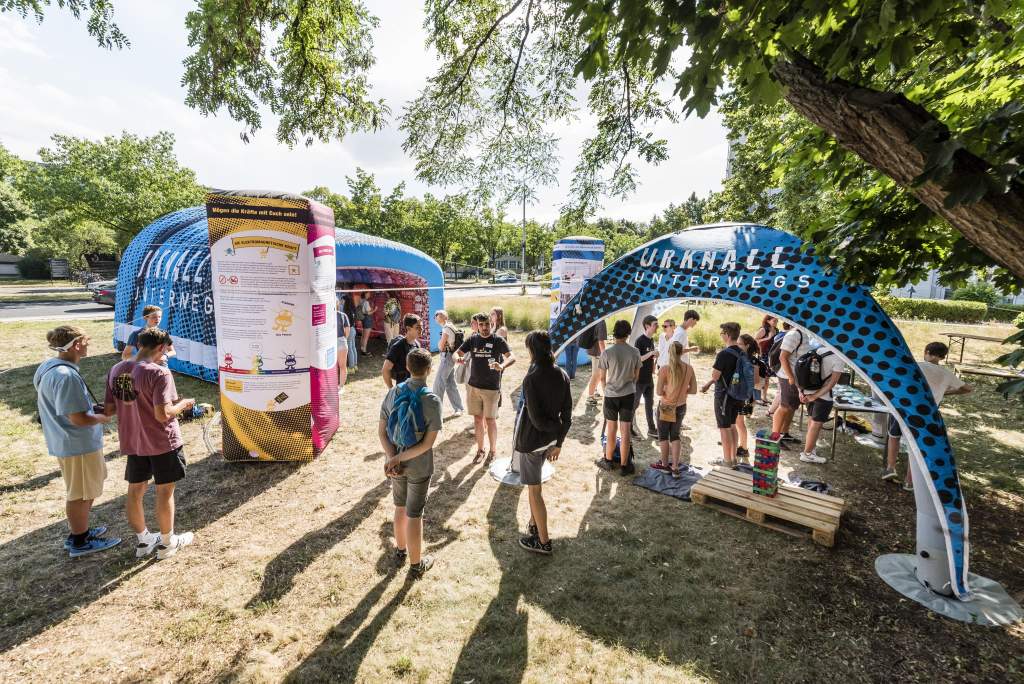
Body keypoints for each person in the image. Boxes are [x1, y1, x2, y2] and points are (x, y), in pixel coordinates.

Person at [34, 325, 121, 557]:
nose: (89, 344)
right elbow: (79, 419)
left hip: (65, 441)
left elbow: (60, 403)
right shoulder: (66, 376)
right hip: (77, 444)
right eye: (86, 340)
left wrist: (90, 408)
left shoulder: (48, 366)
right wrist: (102, 417)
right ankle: (79, 541)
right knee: (80, 494)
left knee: (85, 488)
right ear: (76, 345)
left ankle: (80, 531)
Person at [131, 328, 196, 558]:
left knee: (135, 491)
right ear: (160, 347)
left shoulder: (121, 369)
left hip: (136, 439)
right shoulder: (160, 373)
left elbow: (116, 406)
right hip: (162, 440)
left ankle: (143, 541)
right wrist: (184, 404)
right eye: (166, 350)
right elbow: (163, 413)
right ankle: (168, 543)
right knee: (165, 491)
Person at [378, 348, 442, 578]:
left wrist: (392, 457)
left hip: (395, 465)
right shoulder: (431, 400)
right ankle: (416, 565)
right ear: (429, 370)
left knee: (400, 507)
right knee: (414, 513)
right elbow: (427, 444)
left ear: (406, 367)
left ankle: (400, 550)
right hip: (419, 466)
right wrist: (398, 459)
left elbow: (382, 432)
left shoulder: (393, 392)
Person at [514, 331, 572, 555]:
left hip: (532, 442)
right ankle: (533, 525)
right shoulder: (562, 374)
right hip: (549, 441)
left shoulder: (531, 378)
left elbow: (537, 421)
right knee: (535, 488)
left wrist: (555, 432)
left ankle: (544, 541)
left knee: (534, 491)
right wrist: (558, 441)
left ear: (532, 350)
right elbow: (567, 415)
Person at [884, 342, 972, 490]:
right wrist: (947, 392)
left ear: (927, 352)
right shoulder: (946, 374)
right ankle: (909, 481)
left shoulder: (915, 366)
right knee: (916, 445)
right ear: (942, 357)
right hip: (926, 413)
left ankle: (890, 468)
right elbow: (968, 389)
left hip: (904, 406)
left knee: (894, 436)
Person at [457, 312, 514, 465]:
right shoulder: (472, 339)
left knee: (490, 420)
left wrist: (502, 365)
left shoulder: (498, 340)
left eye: (487, 324)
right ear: (477, 325)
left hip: (491, 388)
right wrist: (458, 359)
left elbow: (512, 357)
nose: (484, 328)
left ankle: (493, 451)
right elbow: (457, 353)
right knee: (477, 419)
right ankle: (480, 450)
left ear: (491, 324)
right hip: (473, 387)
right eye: (481, 325)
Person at [595, 320, 641, 475]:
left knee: (611, 429)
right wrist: (629, 385)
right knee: (626, 430)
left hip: (611, 395)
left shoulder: (607, 352)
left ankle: (608, 461)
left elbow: (602, 378)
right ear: (628, 334)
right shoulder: (635, 352)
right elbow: (636, 376)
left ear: (614, 333)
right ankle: (625, 465)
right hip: (628, 394)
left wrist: (606, 390)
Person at [701, 322, 746, 468]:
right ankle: (733, 458)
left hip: (724, 396)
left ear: (727, 335)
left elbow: (715, 375)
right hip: (738, 395)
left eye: (722, 333)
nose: (721, 336)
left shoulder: (723, 354)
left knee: (724, 428)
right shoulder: (743, 352)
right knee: (732, 425)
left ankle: (727, 461)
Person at [795, 341, 845, 464]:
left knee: (812, 421)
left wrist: (801, 392)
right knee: (816, 424)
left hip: (807, 391)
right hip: (823, 396)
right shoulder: (839, 359)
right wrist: (815, 396)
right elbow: (831, 384)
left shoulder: (817, 350)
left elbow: (800, 372)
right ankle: (807, 453)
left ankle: (810, 449)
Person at [654, 341, 697, 477]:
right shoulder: (689, 368)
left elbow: (659, 392)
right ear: (682, 352)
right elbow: (694, 390)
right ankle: (675, 467)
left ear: (669, 352)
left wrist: (668, 390)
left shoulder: (664, 369)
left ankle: (665, 465)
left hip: (667, 405)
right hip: (681, 405)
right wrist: (682, 391)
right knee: (675, 435)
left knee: (663, 436)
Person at [772, 322, 811, 443]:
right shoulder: (794, 334)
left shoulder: (804, 333)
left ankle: (784, 434)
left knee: (792, 407)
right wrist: (791, 377)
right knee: (784, 407)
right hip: (787, 376)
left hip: (796, 377)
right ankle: (774, 438)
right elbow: (782, 357)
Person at [735, 334, 766, 463]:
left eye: (739, 344)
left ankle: (743, 448)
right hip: (743, 395)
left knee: (739, 422)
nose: (737, 345)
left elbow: (756, 382)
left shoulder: (751, 361)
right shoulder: (746, 358)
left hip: (743, 395)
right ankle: (740, 445)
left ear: (747, 346)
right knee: (738, 422)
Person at [432, 309, 464, 417]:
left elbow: (441, 347)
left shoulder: (446, 328)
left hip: (447, 357)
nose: (436, 317)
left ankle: (435, 410)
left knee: (438, 383)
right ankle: (458, 408)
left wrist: (439, 343)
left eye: (437, 315)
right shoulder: (451, 326)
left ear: (443, 317)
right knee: (450, 383)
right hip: (450, 356)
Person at [633, 315, 659, 438]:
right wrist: (651, 353)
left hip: (649, 379)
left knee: (650, 404)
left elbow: (649, 358)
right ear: (647, 326)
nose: (657, 326)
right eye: (655, 324)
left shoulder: (651, 340)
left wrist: (654, 359)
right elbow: (637, 359)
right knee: (634, 404)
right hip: (639, 379)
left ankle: (651, 429)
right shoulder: (640, 341)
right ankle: (628, 427)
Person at [383, 314, 422, 388]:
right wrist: (391, 389)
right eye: (417, 327)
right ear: (408, 328)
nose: (421, 329)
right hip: (403, 389)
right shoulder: (398, 346)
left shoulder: (417, 344)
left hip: (415, 387)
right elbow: (385, 369)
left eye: (421, 326)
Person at [753, 315, 778, 404]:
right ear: (768, 321)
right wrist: (768, 337)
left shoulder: (776, 330)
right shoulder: (763, 330)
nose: (776, 322)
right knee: (763, 377)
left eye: (777, 321)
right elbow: (754, 341)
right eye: (774, 321)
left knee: (767, 378)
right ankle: (758, 397)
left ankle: (764, 397)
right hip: (763, 356)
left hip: (772, 356)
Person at [584, 318, 607, 404]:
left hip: (592, 350)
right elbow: (601, 341)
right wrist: (604, 355)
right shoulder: (601, 322)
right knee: (596, 375)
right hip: (597, 352)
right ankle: (590, 397)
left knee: (598, 374)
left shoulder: (596, 319)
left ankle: (594, 393)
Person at [336, 295, 351, 389]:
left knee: (333, 367)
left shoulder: (326, 315)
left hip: (330, 342)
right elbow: (347, 331)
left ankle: (337, 386)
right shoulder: (343, 315)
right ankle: (341, 386)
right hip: (341, 341)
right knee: (342, 366)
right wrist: (343, 339)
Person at [355, 289, 375, 357]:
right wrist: (375, 310)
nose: (369, 294)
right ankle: (364, 351)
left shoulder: (361, 300)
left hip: (363, 319)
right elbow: (368, 312)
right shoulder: (366, 302)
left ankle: (362, 349)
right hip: (367, 319)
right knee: (366, 337)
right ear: (365, 294)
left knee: (363, 335)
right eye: (368, 293)